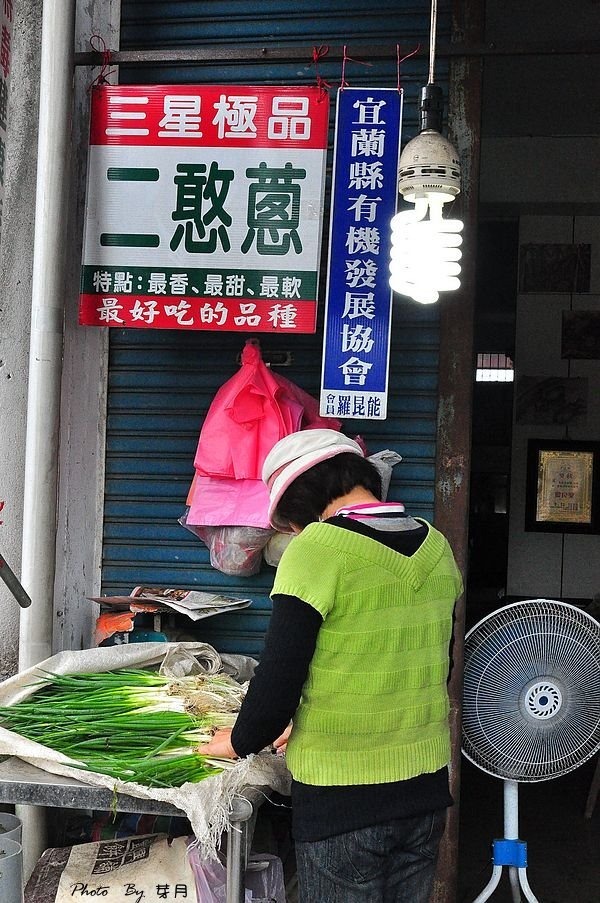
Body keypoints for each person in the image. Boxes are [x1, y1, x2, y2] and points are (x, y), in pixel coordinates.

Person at [199, 428, 463, 902]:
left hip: (344, 801)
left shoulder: (318, 548)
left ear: (306, 500)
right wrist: (300, 717)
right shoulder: (437, 546)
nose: (294, 532)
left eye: (292, 521)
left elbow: (279, 676)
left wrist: (239, 740)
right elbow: (420, 666)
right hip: (424, 795)